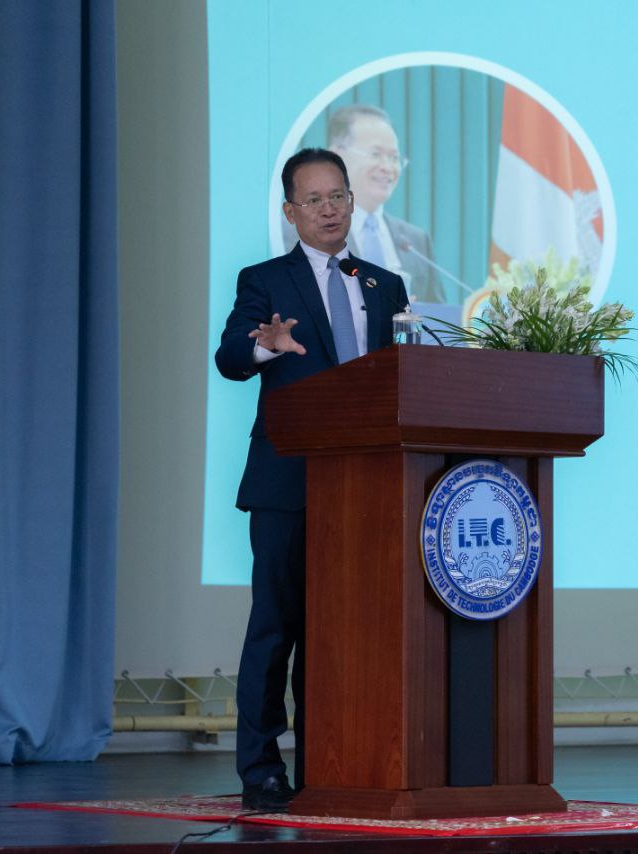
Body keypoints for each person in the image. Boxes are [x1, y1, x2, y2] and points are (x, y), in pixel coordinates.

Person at [215, 147, 409, 811]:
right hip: (287, 482)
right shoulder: (264, 280)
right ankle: (262, 767)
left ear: (354, 202)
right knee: (277, 627)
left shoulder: (386, 285)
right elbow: (231, 357)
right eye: (316, 201)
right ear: (291, 212)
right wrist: (266, 343)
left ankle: (334, 758)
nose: (331, 210)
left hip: (368, 489)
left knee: (348, 633)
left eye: (340, 197)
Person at [327, 103, 445, 303]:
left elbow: (440, 321)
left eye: (394, 158)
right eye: (375, 154)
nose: (387, 167)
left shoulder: (415, 241)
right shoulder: (302, 231)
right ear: (338, 156)